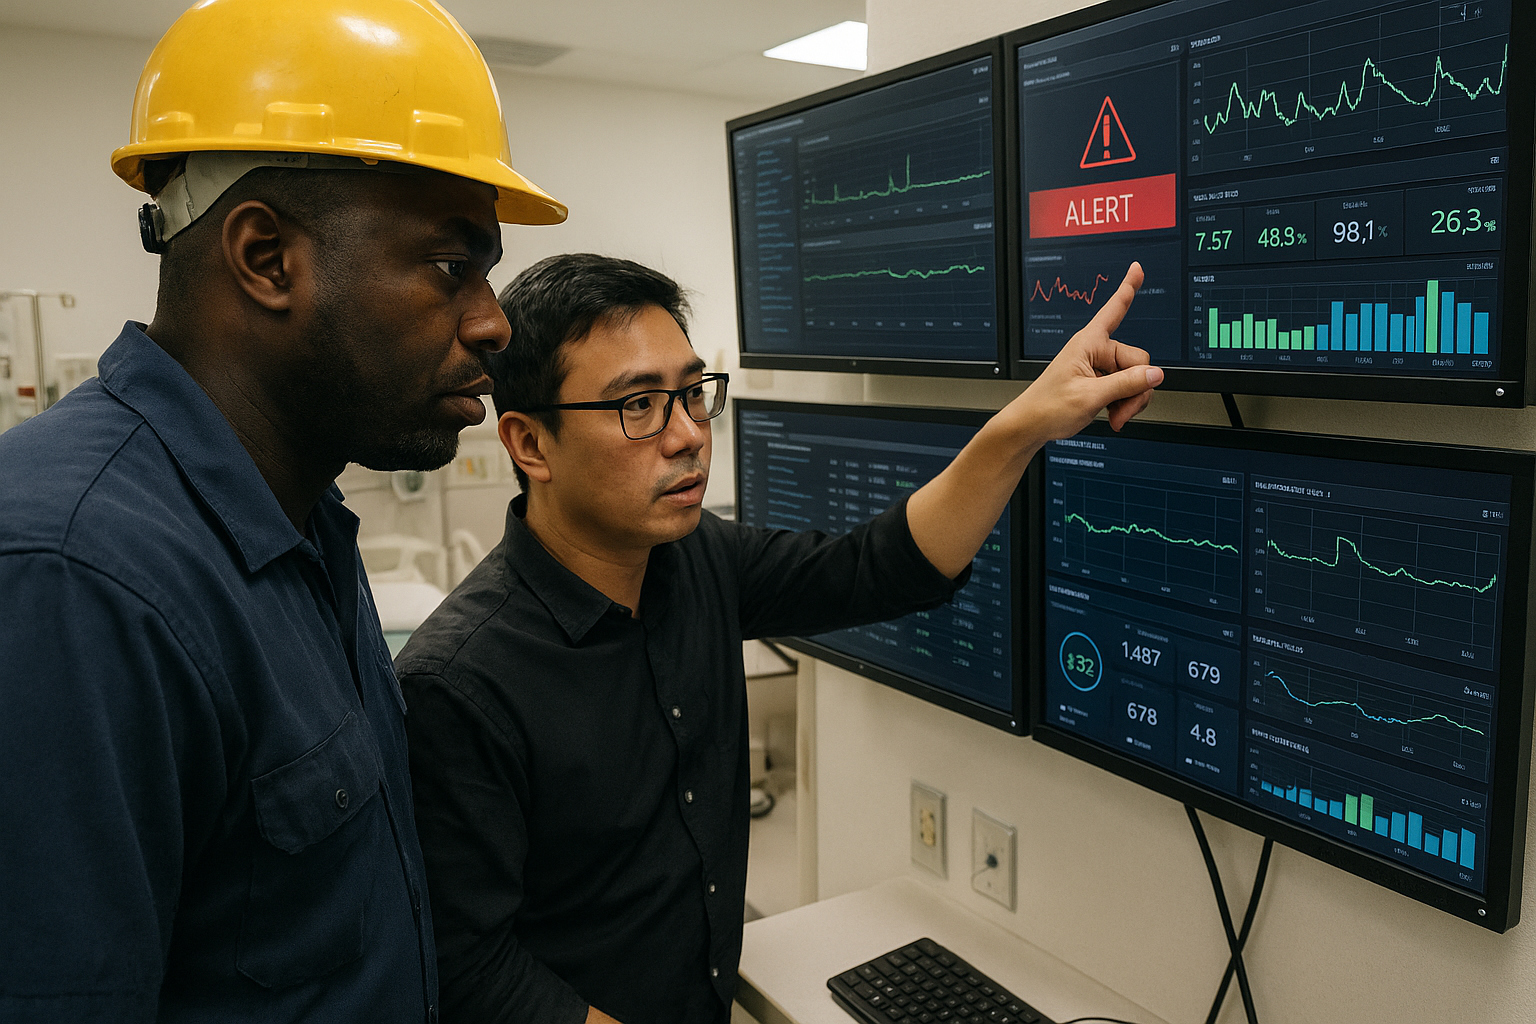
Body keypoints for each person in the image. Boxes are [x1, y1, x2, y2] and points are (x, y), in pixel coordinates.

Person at [396, 253, 1163, 1023]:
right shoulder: (458, 685)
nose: (688, 435)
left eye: (693, 395)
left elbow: (878, 568)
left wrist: (1023, 426)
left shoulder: (696, 560)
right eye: (639, 406)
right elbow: (471, 974)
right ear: (531, 445)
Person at [0, 1, 566, 1021]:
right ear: (266, 258)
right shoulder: (74, 578)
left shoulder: (300, 518)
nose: (494, 322)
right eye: (453, 266)